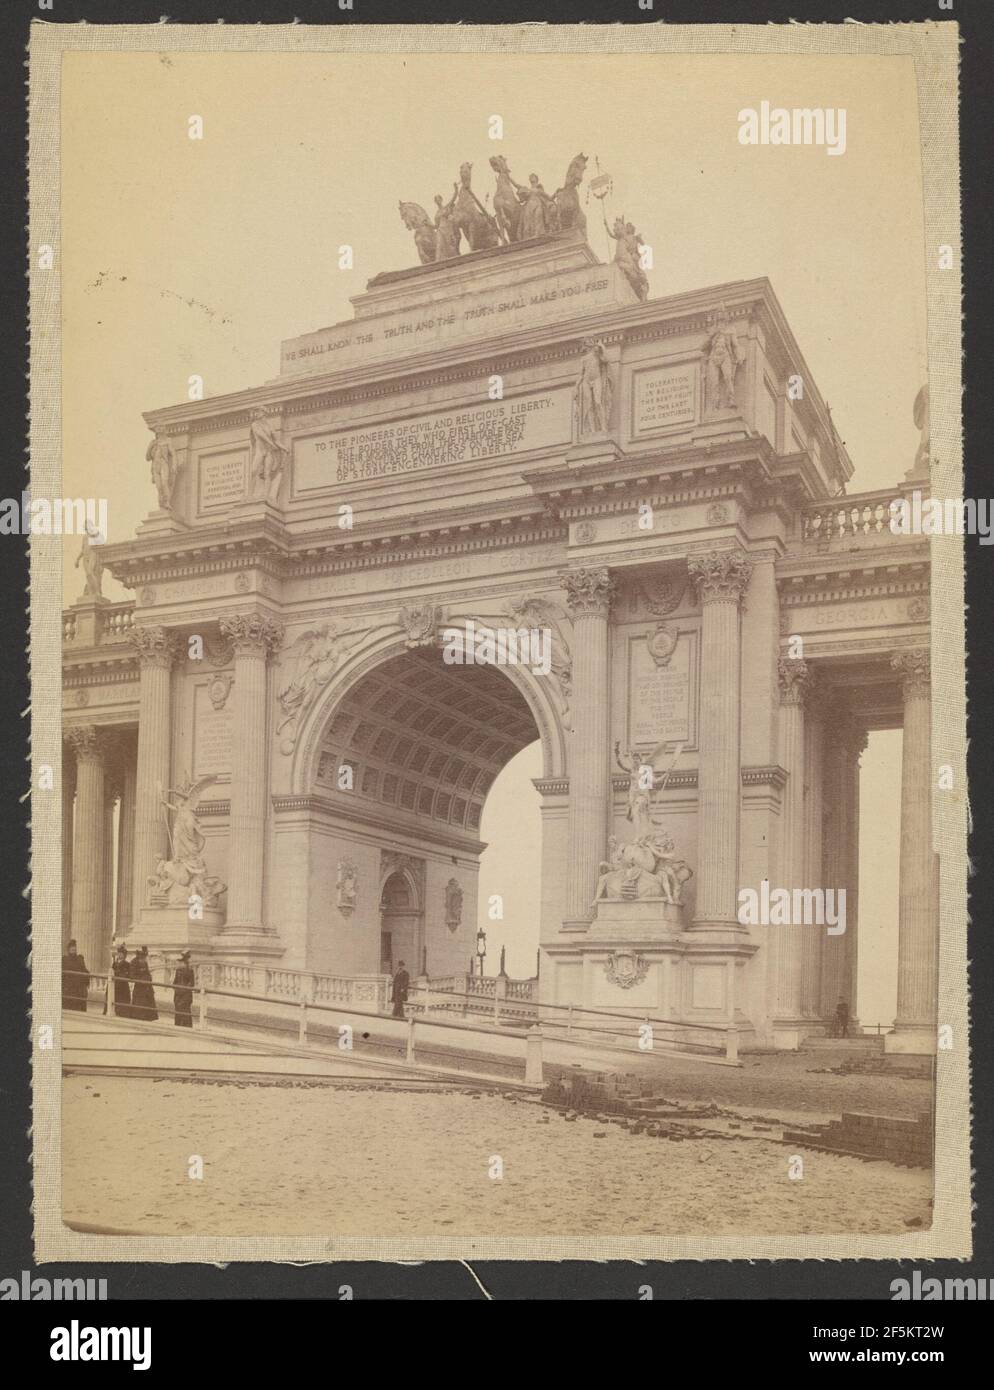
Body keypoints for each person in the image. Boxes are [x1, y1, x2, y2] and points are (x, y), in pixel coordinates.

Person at [130, 945, 158, 1023]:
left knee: (148, 1009)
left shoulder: (144, 962)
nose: (144, 958)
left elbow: (147, 972)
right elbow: (132, 975)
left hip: (147, 988)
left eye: (145, 956)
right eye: (143, 956)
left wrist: (148, 978)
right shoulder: (134, 962)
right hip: (140, 988)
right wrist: (142, 979)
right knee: (139, 1009)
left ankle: (147, 1019)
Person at [61, 939, 89, 1013]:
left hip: (78, 988)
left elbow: (84, 970)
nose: (74, 950)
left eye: (75, 949)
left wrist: (86, 976)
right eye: (72, 949)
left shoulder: (80, 959)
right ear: (69, 950)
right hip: (68, 988)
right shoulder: (64, 960)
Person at [172, 951, 195, 1028]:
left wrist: (183, 990)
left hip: (186, 995)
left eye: (181, 962)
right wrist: (176, 988)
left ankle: (186, 1026)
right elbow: (174, 982)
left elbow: (191, 984)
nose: (179, 964)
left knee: (185, 1010)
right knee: (178, 1010)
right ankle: (178, 1025)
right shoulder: (178, 971)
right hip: (178, 995)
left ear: (185, 963)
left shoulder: (190, 971)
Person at [110, 943, 132, 1018]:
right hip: (115, 985)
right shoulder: (114, 964)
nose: (119, 955)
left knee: (123, 1001)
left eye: (121, 954)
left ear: (124, 955)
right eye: (119, 953)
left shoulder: (127, 964)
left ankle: (123, 1013)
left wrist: (122, 975)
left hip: (123, 986)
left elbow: (129, 974)